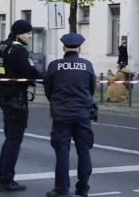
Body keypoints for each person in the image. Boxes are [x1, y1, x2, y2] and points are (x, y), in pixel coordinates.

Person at [0, 19, 44, 192]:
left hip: (4, 96)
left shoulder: (0, 47)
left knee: (9, 138)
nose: (30, 36)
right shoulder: (18, 51)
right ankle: (6, 179)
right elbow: (31, 73)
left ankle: (0, 175)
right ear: (19, 34)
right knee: (14, 140)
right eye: (28, 33)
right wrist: (51, 80)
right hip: (16, 98)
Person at [44, 33, 96, 197]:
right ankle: (83, 189)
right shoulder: (87, 65)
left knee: (62, 153)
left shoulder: (54, 66)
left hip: (61, 116)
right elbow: (91, 90)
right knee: (84, 151)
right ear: (79, 49)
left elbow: (48, 91)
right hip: (82, 115)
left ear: (63, 48)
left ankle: (61, 189)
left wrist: (57, 103)